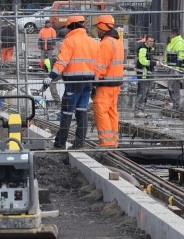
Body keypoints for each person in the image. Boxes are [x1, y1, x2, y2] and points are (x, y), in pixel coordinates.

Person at [42, 15, 98, 149]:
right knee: (82, 112)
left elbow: (62, 62)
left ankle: (60, 144)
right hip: (88, 83)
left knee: (66, 113)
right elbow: (97, 64)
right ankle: (78, 145)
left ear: (72, 26)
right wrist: (95, 83)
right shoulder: (93, 42)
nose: (66, 30)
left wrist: (51, 76)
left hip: (73, 82)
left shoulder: (69, 41)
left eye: (67, 27)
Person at [93, 15, 125, 148]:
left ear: (102, 27)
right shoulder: (117, 41)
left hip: (105, 84)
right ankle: (113, 141)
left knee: (101, 111)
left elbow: (101, 66)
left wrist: (94, 82)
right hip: (116, 83)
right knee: (112, 112)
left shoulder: (106, 43)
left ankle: (106, 143)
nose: (97, 31)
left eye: (97, 28)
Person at [165, 27, 184, 106]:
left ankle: (177, 103)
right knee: (171, 87)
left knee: (174, 87)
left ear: (174, 34)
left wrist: (177, 70)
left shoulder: (179, 42)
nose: (169, 36)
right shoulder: (173, 42)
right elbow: (169, 54)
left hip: (175, 69)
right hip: (171, 68)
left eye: (170, 34)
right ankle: (175, 103)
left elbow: (181, 56)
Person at [135, 35, 156, 115]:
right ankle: (138, 111)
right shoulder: (143, 49)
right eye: (150, 41)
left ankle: (142, 110)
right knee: (141, 92)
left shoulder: (150, 49)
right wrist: (154, 63)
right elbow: (142, 61)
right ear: (146, 41)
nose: (151, 43)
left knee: (146, 93)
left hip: (148, 74)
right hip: (143, 75)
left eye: (152, 41)